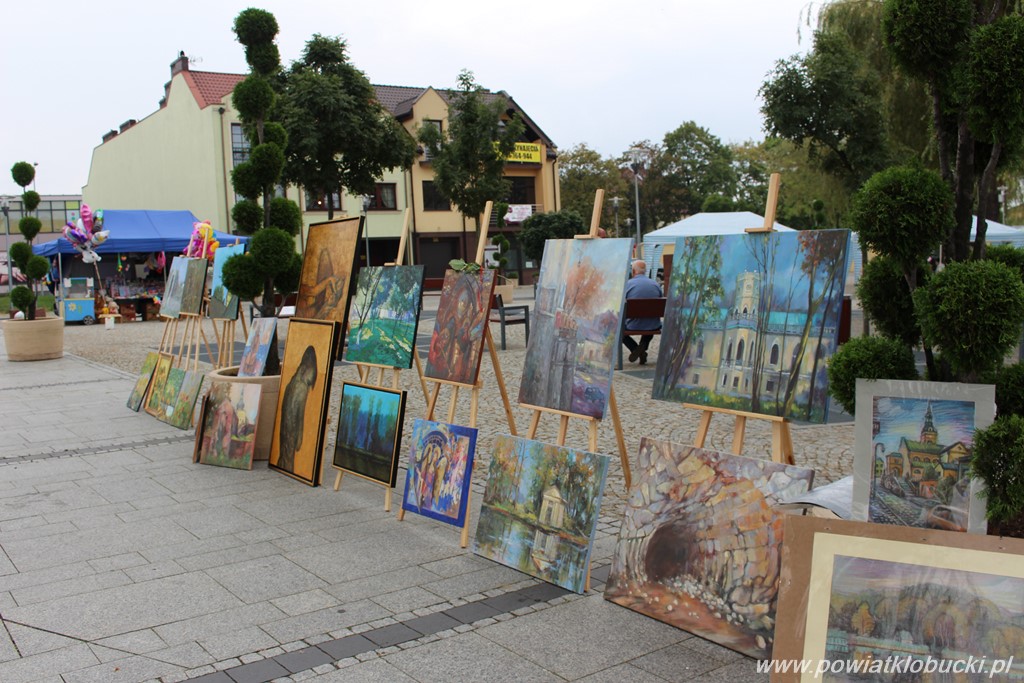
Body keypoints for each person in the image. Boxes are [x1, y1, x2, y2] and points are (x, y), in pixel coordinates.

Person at [622, 259, 662, 365]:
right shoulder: (655, 284)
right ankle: (643, 345)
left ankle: (636, 349)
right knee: (651, 323)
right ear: (645, 271)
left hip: (633, 325)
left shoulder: (628, 284)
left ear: (633, 271)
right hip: (653, 325)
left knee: (618, 330)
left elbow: (621, 305)